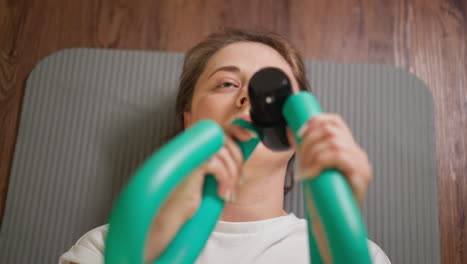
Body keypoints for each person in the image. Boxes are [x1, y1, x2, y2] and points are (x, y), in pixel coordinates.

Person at [59, 29, 391, 263]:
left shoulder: (366, 256)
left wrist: (337, 220)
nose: (249, 98)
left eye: (272, 88)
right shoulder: (104, 247)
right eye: (227, 83)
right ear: (189, 120)